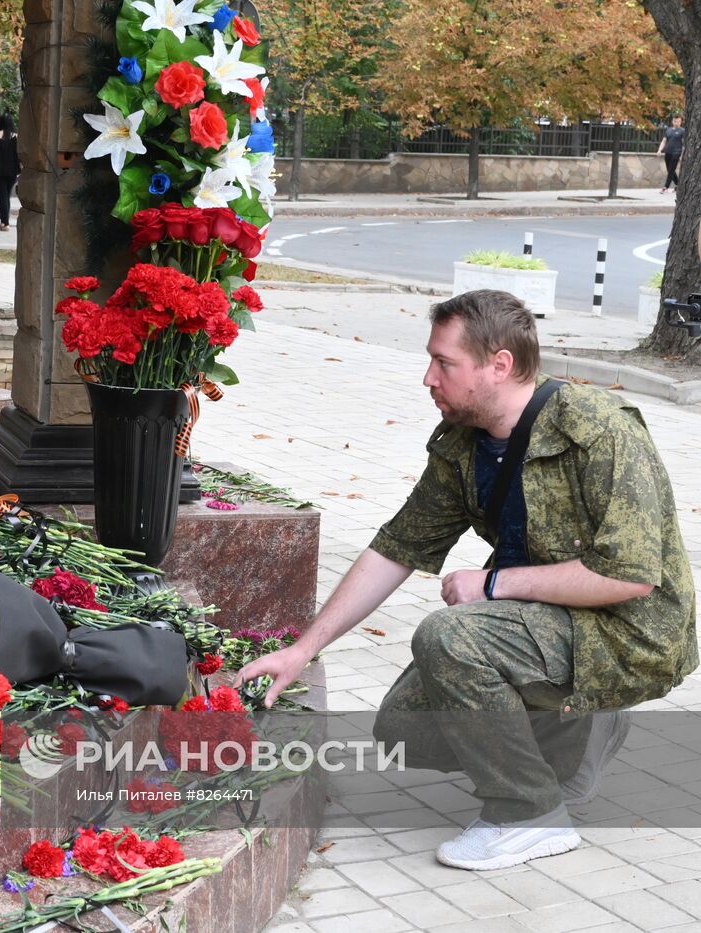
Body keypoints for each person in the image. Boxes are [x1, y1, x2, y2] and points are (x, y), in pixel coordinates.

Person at [237, 289, 696, 871]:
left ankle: (527, 815)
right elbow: (396, 547)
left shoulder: (599, 431)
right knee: (407, 728)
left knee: (448, 638)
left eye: (444, 363)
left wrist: (494, 584)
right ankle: (581, 724)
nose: (428, 377)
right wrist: (303, 650)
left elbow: (628, 578)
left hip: (632, 633)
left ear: (499, 365)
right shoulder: (464, 444)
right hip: (552, 623)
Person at [657, 115, 685, 194]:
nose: (677, 123)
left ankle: (665, 187)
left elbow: (684, 144)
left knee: (671, 170)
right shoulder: (668, 130)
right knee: (670, 170)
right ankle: (678, 185)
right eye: (675, 121)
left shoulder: (683, 131)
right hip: (668, 153)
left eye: (679, 121)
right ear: (672, 121)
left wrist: (682, 155)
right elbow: (664, 141)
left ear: (681, 122)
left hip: (676, 153)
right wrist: (659, 150)